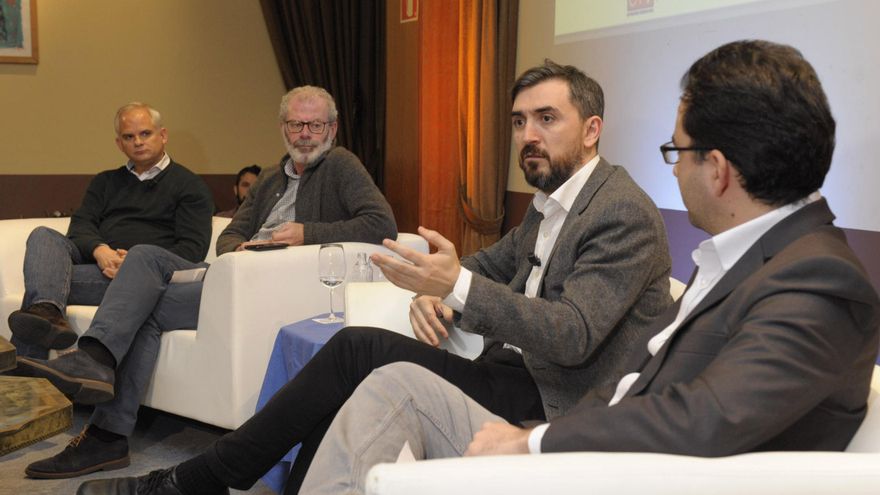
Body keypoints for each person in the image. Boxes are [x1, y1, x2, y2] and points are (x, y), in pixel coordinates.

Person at [282, 40, 880, 494]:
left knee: (386, 384)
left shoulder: (817, 281)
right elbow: (639, 385)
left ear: (719, 169)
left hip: (617, 472)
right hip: (590, 444)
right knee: (391, 383)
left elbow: (703, 420)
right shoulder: (743, 258)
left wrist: (535, 442)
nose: (673, 169)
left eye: (677, 152)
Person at [77, 61, 672, 494]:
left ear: (591, 129)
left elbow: (572, 334)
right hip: (510, 373)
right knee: (354, 352)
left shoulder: (620, 210)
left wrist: (454, 289)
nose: (528, 136)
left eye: (547, 119)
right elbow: (486, 265)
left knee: (358, 351)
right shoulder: (549, 206)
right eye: (519, 122)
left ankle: (198, 479)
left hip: (555, 399)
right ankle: (210, 479)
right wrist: (441, 288)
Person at [17, 86, 397, 481]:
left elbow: (381, 223)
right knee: (143, 273)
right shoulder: (271, 176)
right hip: (233, 278)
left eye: (314, 125)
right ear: (283, 127)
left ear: (331, 129)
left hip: (274, 286)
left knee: (144, 275)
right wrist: (243, 249)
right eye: (296, 124)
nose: (304, 134)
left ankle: (100, 406)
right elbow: (229, 236)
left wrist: (306, 233)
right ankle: (103, 418)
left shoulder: (341, 166)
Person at [8, 102, 213, 360]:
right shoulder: (105, 182)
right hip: (98, 266)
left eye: (145, 133)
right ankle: (48, 312)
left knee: (42, 288)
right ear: (119, 144)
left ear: (163, 135)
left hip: (146, 276)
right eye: (129, 137)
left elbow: (192, 249)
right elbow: (80, 226)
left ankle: (22, 370)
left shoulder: (190, 186)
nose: (138, 142)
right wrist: (100, 250)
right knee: (43, 235)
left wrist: (137, 263)